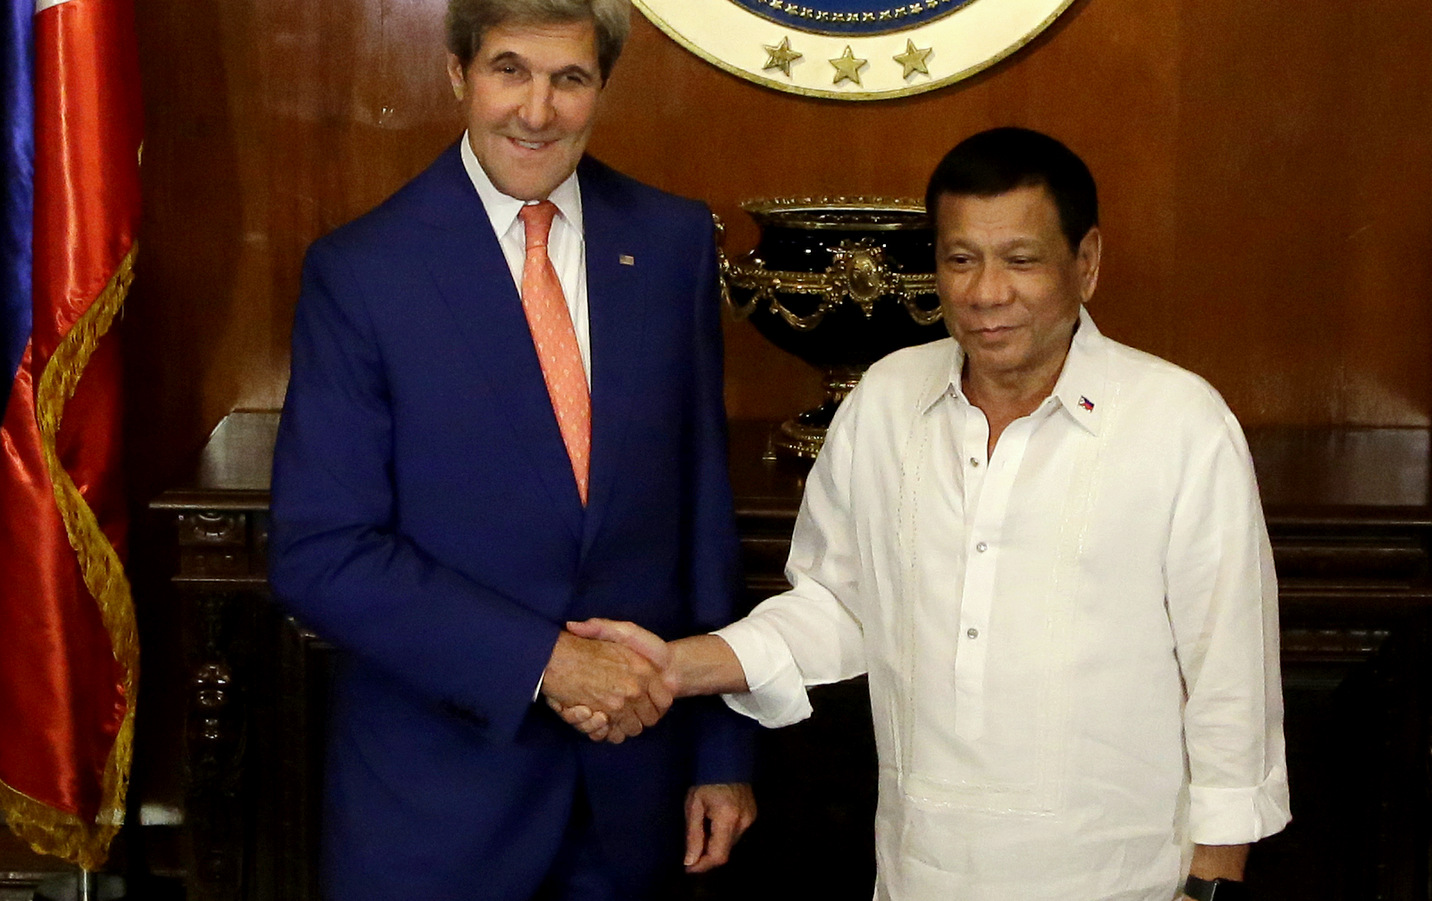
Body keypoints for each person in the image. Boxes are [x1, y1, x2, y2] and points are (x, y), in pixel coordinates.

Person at [555, 128, 1290, 900]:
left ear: (1088, 262)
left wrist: (1213, 883)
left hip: (1125, 878)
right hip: (922, 873)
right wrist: (676, 666)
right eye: (961, 258)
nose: (984, 292)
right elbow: (839, 607)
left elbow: (1229, 676)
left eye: (1021, 259)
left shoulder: (1178, 423)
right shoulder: (886, 402)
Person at [268, 1, 755, 898]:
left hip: (634, 803)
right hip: (436, 810)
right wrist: (549, 661)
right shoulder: (363, 270)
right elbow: (321, 551)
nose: (537, 110)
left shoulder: (674, 242)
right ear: (459, 73)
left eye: (569, 79)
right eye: (510, 70)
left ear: (601, 86)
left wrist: (720, 749)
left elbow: (701, 516)